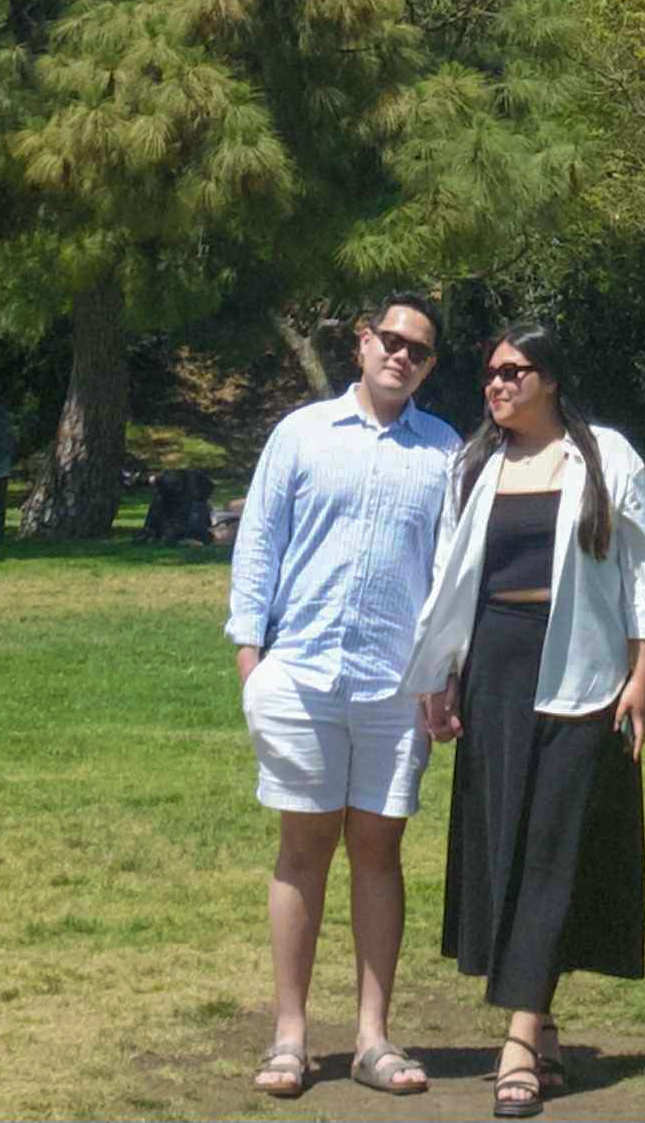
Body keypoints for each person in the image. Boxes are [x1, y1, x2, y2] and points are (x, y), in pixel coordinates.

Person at [403, 322, 645, 1118]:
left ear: (550, 378)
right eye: (490, 374)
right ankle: (543, 1019)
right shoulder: (475, 465)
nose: (498, 385)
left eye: (514, 371)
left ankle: (516, 1040)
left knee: (554, 848)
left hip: (584, 673)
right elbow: (453, 579)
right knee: (505, 848)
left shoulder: (607, 457)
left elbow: (641, 567)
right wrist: (441, 676)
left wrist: (643, 672)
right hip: (495, 673)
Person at [227, 293, 459, 1100]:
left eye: (418, 351)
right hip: (303, 675)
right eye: (389, 340)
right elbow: (260, 543)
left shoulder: (443, 452)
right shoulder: (301, 434)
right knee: (301, 850)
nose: (400, 356)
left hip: (397, 689)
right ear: (361, 343)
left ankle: (372, 1038)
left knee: (378, 853)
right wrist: (251, 659)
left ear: (430, 366)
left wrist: (441, 678)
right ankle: (289, 1038)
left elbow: (447, 579)